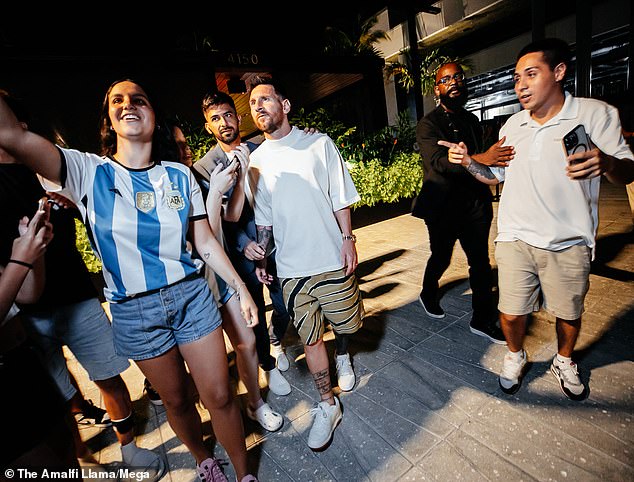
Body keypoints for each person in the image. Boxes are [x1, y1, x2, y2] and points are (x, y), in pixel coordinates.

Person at [0, 79, 260, 482]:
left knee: (221, 395)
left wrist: (241, 288)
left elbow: (205, 241)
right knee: (177, 400)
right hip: (134, 312)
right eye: (117, 101)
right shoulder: (88, 172)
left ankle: (245, 474)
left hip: (191, 296)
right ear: (108, 119)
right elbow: (11, 134)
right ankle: (203, 459)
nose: (128, 104)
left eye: (138, 98)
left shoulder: (179, 174)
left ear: (153, 115)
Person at [440, 38, 634, 401]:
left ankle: (564, 359)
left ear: (559, 72)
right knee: (509, 313)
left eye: (531, 74)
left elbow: (627, 171)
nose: (521, 85)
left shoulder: (595, 114)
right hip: (515, 236)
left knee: (568, 313)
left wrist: (607, 163)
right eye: (516, 78)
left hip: (569, 239)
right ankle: (515, 355)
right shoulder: (512, 125)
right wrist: (468, 161)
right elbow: (495, 177)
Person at [0, 92, 165, 473]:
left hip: (76, 296)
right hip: (27, 315)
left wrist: (74, 207)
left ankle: (128, 448)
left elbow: (99, 225)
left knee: (108, 373)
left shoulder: (49, 171)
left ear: (22, 130)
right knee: (57, 395)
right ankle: (80, 460)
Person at [247, 75, 364, 451]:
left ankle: (343, 356)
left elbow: (340, 196)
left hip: (330, 256)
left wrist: (348, 240)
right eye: (253, 103)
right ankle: (327, 403)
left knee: (346, 322)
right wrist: (263, 254)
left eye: (266, 98)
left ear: (286, 105)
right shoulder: (255, 161)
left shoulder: (318, 143)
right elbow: (263, 218)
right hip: (292, 270)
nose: (259, 106)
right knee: (310, 336)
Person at [193, 91, 292, 404]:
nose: (224, 123)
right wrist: (244, 243)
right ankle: (268, 364)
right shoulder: (203, 168)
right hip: (239, 254)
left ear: (237, 118)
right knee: (255, 315)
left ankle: (278, 338)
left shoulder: (260, 148)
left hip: (274, 246)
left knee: (284, 303)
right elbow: (217, 220)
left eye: (228, 115)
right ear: (209, 127)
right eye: (215, 119)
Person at [411, 62, 514, 344]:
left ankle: (481, 320)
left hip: (475, 205)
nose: (453, 82)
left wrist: (482, 158)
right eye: (446, 79)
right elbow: (438, 164)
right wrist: (480, 158)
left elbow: (490, 158)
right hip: (442, 208)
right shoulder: (428, 124)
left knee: (480, 263)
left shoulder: (472, 121)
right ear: (437, 89)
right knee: (441, 257)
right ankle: (427, 292)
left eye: (458, 77)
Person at [1, 203, 80, 477]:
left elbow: (26, 295)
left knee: (65, 446)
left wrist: (35, 252)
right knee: (41, 466)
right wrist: (20, 260)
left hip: (23, 359)